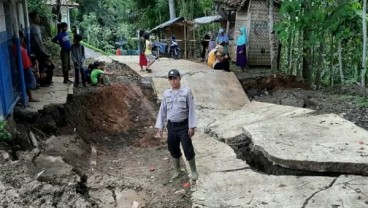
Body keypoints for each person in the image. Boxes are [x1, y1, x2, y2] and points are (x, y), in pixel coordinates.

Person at [155, 69, 198, 182]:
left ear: (179, 78)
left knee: (187, 148)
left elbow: (191, 110)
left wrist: (191, 126)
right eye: (171, 78)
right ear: (168, 80)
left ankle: (193, 170)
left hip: (184, 126)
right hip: (172, 127)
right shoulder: (166, 93)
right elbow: (162, 110)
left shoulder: (186, 92)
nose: (173, 81)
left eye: (175, 78)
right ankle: (177, 170)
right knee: (173, 147)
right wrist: (160, 126)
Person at [29, 11, 53, 86]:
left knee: (45, 65)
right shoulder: (33, 28)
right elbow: (37, 41)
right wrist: (43, 51)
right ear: (33, 19)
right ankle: (43, 82)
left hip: (40, 50)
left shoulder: (37, 27)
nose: (38, 19)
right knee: (42, 66)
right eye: (37, 17)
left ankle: (46, 80)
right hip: (38, 51)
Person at [18, 31, 38, 102]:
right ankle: (27, 97)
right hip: (23, 67)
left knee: (30, 81)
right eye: (20, 38)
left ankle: (30, 97)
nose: (21, 39)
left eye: (22, 38)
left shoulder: (22, 45)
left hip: (27, 65)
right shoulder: (16, 47)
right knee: (31, 82)